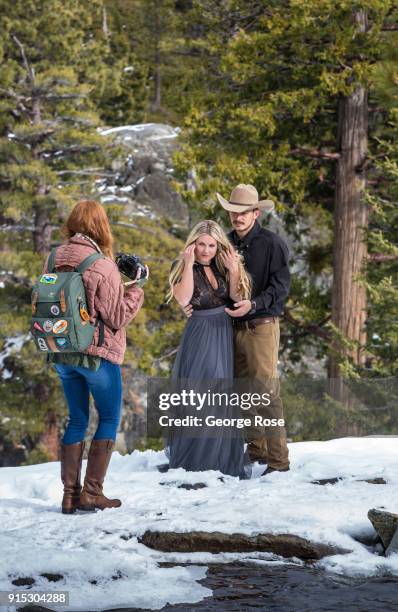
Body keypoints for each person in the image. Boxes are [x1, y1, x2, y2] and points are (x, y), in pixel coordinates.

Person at [43, 200, 145, 513]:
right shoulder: (101, 264)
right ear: (100, 226)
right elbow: (116, 318)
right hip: (97, 355)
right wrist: (136, 287)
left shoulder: (54, 257)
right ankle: (92, 493)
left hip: (61, 351)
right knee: (110, 417)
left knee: (77, 418)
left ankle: (70, 496)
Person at [166, 220, 252, 477]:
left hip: (223, 331)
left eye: (211, 245)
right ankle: (197, 459)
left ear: (218, 246)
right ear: (193, 243)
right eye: (201, 244)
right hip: (201, 332)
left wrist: (234, 269)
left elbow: (237, 297)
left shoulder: (222, 265)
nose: (205, 250)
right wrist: (189, 264)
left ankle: (219, 459)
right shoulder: (183, 265)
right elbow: (183, 298)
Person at [217, 184, 291, 475]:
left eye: (243, 212)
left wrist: (254, 304)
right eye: (233, 212)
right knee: (243, 393)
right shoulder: (226, 244)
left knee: (265, 393)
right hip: (234, 326)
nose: (237, 217)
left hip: (262, 326)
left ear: (255, 213)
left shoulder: (272, 244)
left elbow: (281, 287)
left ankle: (278, 461)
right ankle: (256, 450)